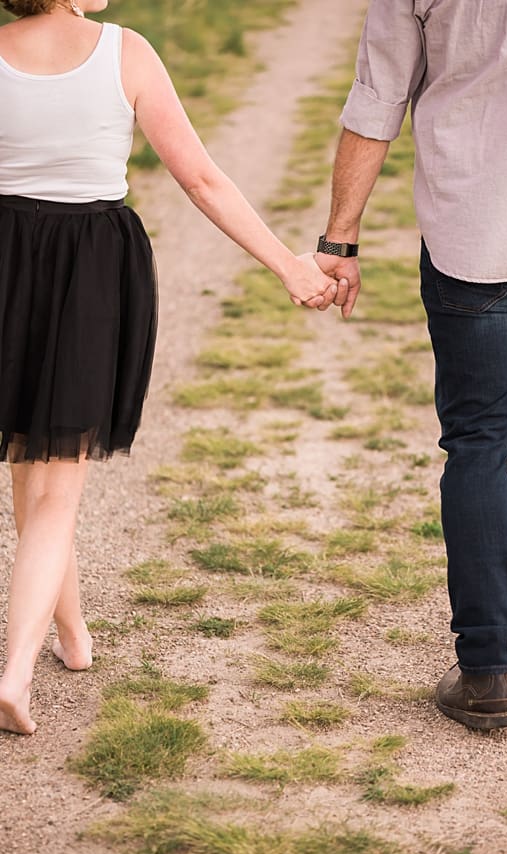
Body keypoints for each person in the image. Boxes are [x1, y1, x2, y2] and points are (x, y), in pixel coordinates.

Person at [0, 0, 338, 735]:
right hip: (89, 268)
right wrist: (287, 265)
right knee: (57, 488)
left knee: (31, 463)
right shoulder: (125, 52)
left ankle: (73, 638)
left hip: (6, 264)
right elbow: (202, 181)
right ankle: (15, 672)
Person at [312, 0, 507, 729]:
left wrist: (340, 237)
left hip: (472, 236)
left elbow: (378, 95)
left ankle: (484, 673)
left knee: (479, 438)